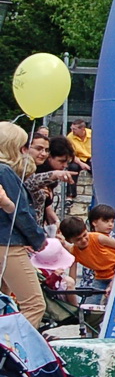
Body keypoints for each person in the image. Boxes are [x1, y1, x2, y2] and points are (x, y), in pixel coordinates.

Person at [0, 124, 48, 325]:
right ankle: (17, 350)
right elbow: (20, 211)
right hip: (8, 244)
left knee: (4, 300)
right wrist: (38, 238)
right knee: (35, 304)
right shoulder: (4, 171)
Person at [60, 216, 115, 289]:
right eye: (78, 239)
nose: (84, 240)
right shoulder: (74, 252)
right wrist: (69, 286)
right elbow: (72, 278)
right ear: (70, 241)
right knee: (92, 299)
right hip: (101, 278)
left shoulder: (98, 238)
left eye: (85, 235)